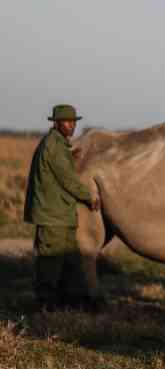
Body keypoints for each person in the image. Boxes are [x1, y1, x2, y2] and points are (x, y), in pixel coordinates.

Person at [23, 104, 101, 311]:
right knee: (50, 263)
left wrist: (71, 158)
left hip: (61, 215)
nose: (72, 125)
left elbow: (62, 171)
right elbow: (67, 179)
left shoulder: (59, 144)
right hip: (53, 216)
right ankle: (45, 306)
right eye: (67, 122)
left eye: (74, 122)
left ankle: (76, 303)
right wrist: (89, 197)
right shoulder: (54, 146)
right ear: (56, 123)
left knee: (72, 262)